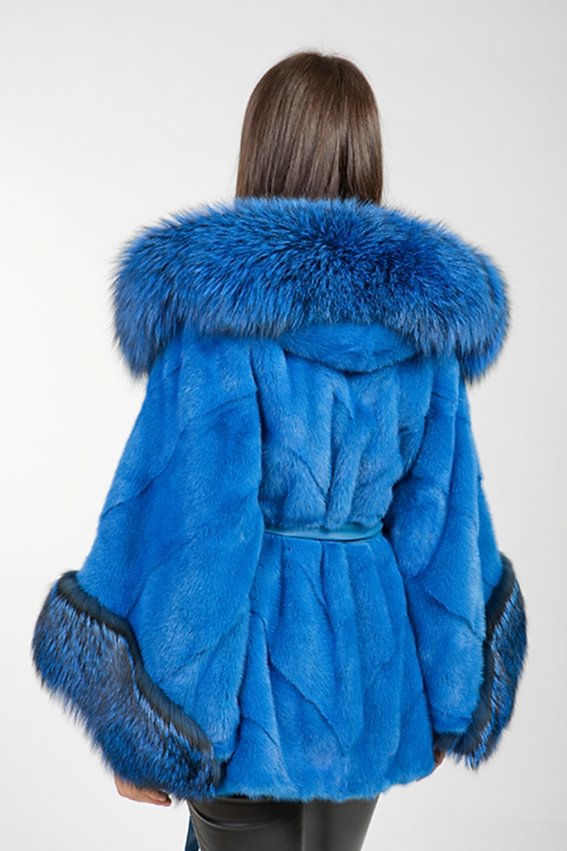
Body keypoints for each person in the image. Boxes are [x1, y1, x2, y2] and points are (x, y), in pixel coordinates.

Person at [31, 50, 528, 851]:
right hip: (367, 700)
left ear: (259, 151)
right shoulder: (423, 333)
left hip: (246, 699)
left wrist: (145, 726)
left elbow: (196, 533)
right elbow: (444, 527)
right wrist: (448, 698)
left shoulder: (220, 323)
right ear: (366, 156)